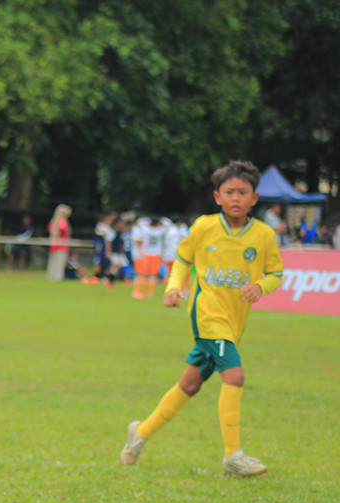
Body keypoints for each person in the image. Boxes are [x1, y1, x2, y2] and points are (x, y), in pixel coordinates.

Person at [120, 160, 283, 477]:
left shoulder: (263, 235)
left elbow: (276, 273)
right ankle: (232, 455)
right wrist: (172, 287)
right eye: (229, 192)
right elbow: (182, 260)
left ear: (255, 198)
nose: (236, 198)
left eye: (243, 192)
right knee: (234, 377)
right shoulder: (204, 227)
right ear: (217, 196)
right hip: (207, 317)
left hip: (234, 323)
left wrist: (260, 286)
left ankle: (139, 433)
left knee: (190, 385)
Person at [132, 216, 166, 299]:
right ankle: (150, 293)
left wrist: (147, 220)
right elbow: (167, 223)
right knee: (153, 275)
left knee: (143, 274)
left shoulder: (145, 230)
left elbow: (140, 222)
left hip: (146, 253)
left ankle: (144, 292)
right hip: (156, 254)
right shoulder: (160, 231)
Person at [88, 210, 117, 285]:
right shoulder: (100, 227)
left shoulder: (109, 229)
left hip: (103, 248)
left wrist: (108, 250)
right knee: (97, 262)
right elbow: (106, 239)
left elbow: (108, 240)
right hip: (99, 247)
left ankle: (107, 278)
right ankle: (96, 277)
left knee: (107, 263)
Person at [45, 204, 72, 281]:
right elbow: (63, 229)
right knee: (60, 263)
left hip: (54, 245)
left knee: (53, 262)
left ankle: (51, 276)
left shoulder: (53, 221)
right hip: (62, 245)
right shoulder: (63, 221)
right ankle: (58, 277)